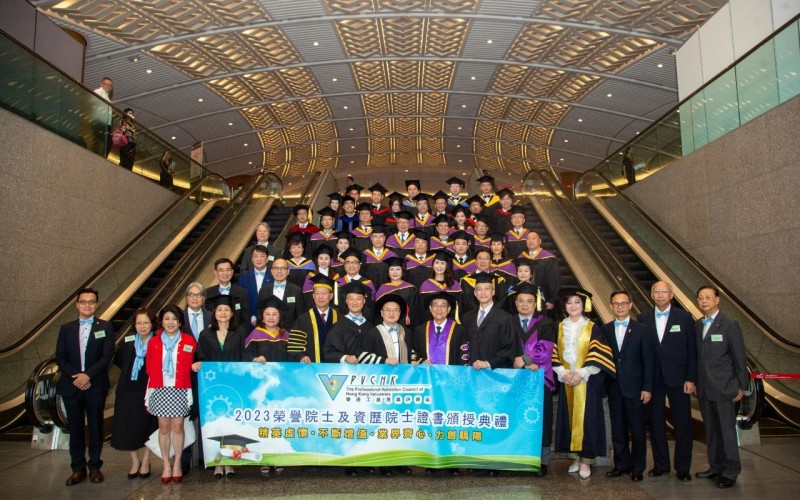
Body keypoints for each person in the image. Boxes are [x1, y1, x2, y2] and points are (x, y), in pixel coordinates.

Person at [552, 288, 615, 479]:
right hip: (566, 381)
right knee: (569, 420)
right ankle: (576, 459)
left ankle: (586, 460)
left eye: (577, 302)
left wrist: (581, 373)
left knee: (588, 421)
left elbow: (598, 355)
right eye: (569, 302)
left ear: (584, 305)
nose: (573, 306)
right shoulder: (559, 327)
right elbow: (553, 353)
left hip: (588, 382)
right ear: (564, 306)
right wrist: (563, 373)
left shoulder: (593, 328)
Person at [637, 282, 697, 482]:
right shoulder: (643, 317)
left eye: (664, 292)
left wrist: (691, 377)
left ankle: (683, 468)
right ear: (652, 295)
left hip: (679, 378)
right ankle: (661, 465)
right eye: (657, 292)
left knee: (683, 423)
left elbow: (692, 350)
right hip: (653, 378)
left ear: (671, 294)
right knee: (655, 423)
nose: (660, 295)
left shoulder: (684, 317)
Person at [56, 288, 115, 486]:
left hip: (95, 385)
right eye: (83, 302)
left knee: (96, 427)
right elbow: (60, 357)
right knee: (75, 428)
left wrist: (87, 375)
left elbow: (107, 356)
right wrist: (77, 376)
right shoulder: (66, 328)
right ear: (77, 305)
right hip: (71, 385)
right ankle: (77, 468)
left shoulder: (105, 326)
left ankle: (95, 466)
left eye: (91, 302)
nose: (87, 305)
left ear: (96, 304)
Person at [694, 285, 747, 489]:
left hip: (724, 388)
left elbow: (739, 357)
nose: (704, 301)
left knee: (727, 432)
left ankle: (731, 471)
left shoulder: (729, 324)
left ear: (717, 300)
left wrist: (741, 386)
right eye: (700, 298)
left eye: (708, 297)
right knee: (712, 431)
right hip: (705, 389)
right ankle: (715, 466)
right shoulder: (698, 325)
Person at [603, 290, 654, 483]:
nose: (620, 307)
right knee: (618, 429)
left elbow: (649, 361)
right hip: (614, 387)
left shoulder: (642, 329)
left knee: (638, 430)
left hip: (636, 388)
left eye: (624, 303)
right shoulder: (605, 329)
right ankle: (621, 464)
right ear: (611, 306)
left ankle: (637, 467)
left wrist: (647, 387)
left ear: (630, 305)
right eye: (616, 304)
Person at [192, 295, 245, 478]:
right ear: (214, 313)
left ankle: (229, 462)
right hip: (212, 387)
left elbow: (244, 356)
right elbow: (200, 357)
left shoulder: (240, 332)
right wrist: (197, 364)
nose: (223, 313)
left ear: (232, 313)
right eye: (220, 310)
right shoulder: (205, 334)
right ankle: (217, 462)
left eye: (227, 310)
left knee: (231, 424)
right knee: (214, 425)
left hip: (235, 385)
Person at [145, 304, 197, 484]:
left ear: (180, 322)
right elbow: (149, 367)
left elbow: (192, 363)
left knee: (178, 427)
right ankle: (166, 464)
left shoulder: (189, 341)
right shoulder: (154, 341)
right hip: (160, 388)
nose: (170, 322)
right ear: (161, 321)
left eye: (174, 319)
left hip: (180, 388)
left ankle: (177, 464)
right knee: (164, 427)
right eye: (167, 318)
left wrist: (193, 367)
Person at [511, 282, 556, 476]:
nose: (525, 304)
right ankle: (516, 458)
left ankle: (541, 460)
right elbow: (505, 346)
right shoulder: (509, 322)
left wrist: (526, 359)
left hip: (539, 377)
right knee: (515, 417)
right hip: (514, 377)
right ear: (516, 303)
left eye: (529, 301)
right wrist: (516, 360)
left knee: (541, 418)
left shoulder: (545, 323)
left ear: (535, 303)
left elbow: (546, 347)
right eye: (521, 301)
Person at [112, 308, 159, 480]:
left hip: (149, 390)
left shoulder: (158, 342)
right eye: (139, 323)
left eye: (146, 322)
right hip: (128, 390)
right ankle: (134, 460)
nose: (142, 326)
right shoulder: (128, 341)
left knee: (148, 426)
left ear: (152, 324)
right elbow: (118, 360)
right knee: (128, 426)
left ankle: (146, 460)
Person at [179, 282, 210, 474]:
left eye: (198, 295)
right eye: (191, 294)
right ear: (186, 297)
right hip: (184, 373)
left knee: (206, 412)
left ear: (204, 298)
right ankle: (184, 458)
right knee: (184, 415)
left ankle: (205, 455)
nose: (195, 298)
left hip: (207, 373)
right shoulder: (177, 318)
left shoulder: (211, 317)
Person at [289, 274, 339, 363]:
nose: (320, 297)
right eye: (317, 293)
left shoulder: (340, 318)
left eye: (324, 293)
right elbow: (295, 346)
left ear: (331, 296)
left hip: (335, 367)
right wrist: (301, 356)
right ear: (313, 296)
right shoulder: (303, 319)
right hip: (311, 367)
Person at [412, 292, 469, 367]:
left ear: (448, 309)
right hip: (426, 373)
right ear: (430, 308)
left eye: (443, 305)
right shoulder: (420, 330)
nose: (439, 308)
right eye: (435, 305)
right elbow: (415, 354)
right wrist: (422, 362)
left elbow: (464, 358)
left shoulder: (459, 330)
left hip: (451, 373)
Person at [418, 250, 463, 324]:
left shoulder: (455, 285)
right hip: (430, 324)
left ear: (447, 266)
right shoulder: (426, 285)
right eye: (437, 263)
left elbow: (458, 309)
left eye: (442, 263)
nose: (439, 266)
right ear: (433, 265)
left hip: (451, 325)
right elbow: (423, 311)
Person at [258, 258, 304, 330]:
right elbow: (260, 314)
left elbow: (300, 316)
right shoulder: (263, 291)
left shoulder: (296, 290)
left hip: (290, 332)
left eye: (283, 268)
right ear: (272, 271)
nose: (279, 271)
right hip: (268, 332)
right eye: (276, 268)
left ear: (288, 271)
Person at [374, 256, 418, 331]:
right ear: (388, 272)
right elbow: (378, 313)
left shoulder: (411, 288)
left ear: (402, 271)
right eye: (392, 269)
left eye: (398, 269)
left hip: (405, 327)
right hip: (386, 327)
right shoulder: (382, 289)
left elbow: (414, 312)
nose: (395, 272)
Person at [521, 232, 560, 313]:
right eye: (528, 239)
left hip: (544, 300)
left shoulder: (549, 258)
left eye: (533, 238)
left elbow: (554, 280)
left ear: (540, 241)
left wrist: (553, 300)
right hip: (525, 301)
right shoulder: (521, 258)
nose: (531, 241)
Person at [206, 258, 251, 327]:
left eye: (228, 270)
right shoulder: (208, 293)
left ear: (232, 272)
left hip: (238, 332)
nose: (225, 273)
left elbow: (246, 319)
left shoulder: (242, 292)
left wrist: (240, 332)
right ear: (216, 273)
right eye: (221, 270)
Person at [335, 248, 376, 323]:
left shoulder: (368, 283)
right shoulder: (337, 284)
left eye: (354, 262)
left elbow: (370, 308)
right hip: (342, 323)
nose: (351, 265)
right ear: (344, 266)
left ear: (359, 265)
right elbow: (335, 307)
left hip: (364, 323)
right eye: (348, 262)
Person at [239, 245, 274, 325]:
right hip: (249, 321)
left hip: (271, 321)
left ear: (267, 259)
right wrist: (251, 317)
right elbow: (241, 299)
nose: (259, 259)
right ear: (252, 259)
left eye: (262, 256)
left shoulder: (273, 276)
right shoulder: (244, 276)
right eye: (255, 256)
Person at [92, 77, 113, 156]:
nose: (108, 86)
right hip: (100, 121)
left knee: (104, 142)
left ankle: (99, 157)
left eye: (110, 85)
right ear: (101, 84)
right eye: (106, 84)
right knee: (104, 141)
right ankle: (96, 157)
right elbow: (93, 102)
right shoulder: (98, 91)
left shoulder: (107, 97)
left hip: (105, 123)